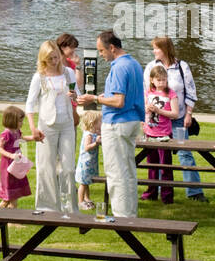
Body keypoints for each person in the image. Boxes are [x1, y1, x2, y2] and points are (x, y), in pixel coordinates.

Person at [77, 30, 145, 219]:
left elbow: (118, 101)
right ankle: (130, 214)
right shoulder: (134, 64)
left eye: (101, 51)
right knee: (128, 170)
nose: (101, 55)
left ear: (112, 48)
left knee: (116, 173)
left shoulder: (119, 67)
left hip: (117, 123)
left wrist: (95, 98)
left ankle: (121, 216)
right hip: (132, 122)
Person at [143, 36, 206, 201]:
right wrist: (146, 117)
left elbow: (191, 92)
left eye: (156, 48)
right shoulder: (151, 67)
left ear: (165, 49)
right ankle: (154, 190)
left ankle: (194, 191)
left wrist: (189, 113)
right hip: (157, 122)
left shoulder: (182, 67)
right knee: (155, 156)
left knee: (184, 152)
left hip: (177, 120)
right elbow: (146, 92)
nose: (153, 51)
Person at [26, 40, 78, 213]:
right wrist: (33, 128)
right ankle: (46, 207)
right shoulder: (39, 77)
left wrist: (74, 96)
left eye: (55, 57)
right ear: (43, 59)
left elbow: (77, 97)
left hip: (67, 125)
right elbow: (30, 105)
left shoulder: (69, 73)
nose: (54, 61)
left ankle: (70, 209)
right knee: (45, 166)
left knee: (69, 167)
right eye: (49, 59)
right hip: (46, 127)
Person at [141, 65, 179, 203]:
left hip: (164, 135)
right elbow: (142, 109)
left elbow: (175, 114)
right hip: (150, 133)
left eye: (164, 80)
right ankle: (151, 193)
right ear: (152, 80)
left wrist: (159, 111)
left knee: (165, 167)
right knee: (152, 166)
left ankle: (167, 196)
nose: (162, 83)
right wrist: (147, 109)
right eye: (159, 80)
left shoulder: (171, 94)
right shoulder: (147, 93)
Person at [0, 105, 35, 208]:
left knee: (10, 196)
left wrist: (34, 138)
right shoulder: (6, 134)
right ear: (12, 120)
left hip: (16, 164)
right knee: (12, 195)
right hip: (8, 165)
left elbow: (22, 138)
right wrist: (11, 155)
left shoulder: (16, 131)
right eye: (20, 121)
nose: (22, 123)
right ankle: (12, 221)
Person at [75, 109, 102, 210]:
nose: (101, 123)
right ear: (93, 123)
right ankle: (81, 201)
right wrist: (96, 143)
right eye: (100, 121)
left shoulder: (93, 132)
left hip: (90, 162)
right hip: (85, 163)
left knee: (87, 182)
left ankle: (87, 198)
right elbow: (87, 147)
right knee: (83, 183)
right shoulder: (88, 135)